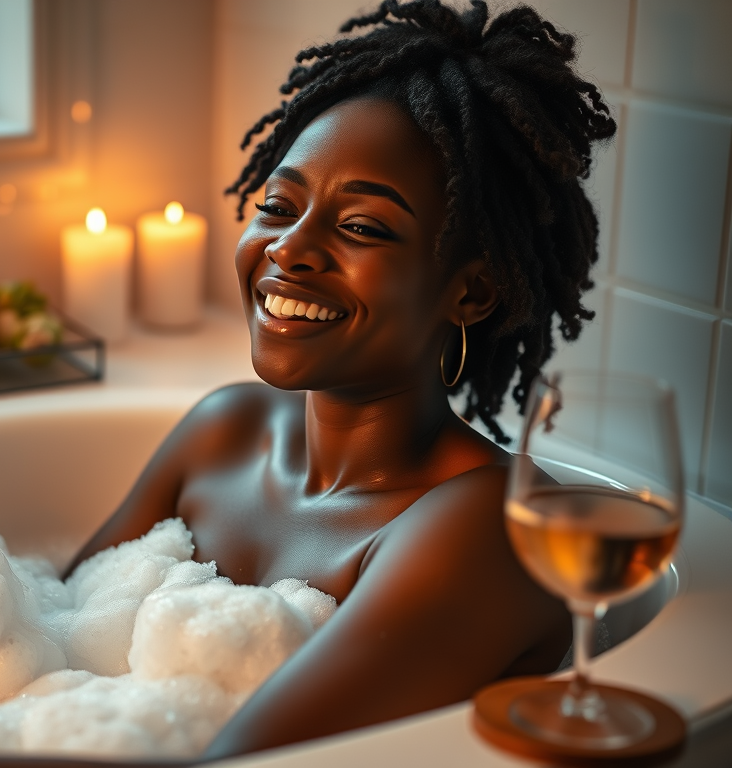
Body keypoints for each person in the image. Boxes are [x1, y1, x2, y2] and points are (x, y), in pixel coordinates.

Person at [64, 0, 616, 757]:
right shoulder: (223, 431)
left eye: (361, 227)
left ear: (471, 291)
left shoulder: (490, 527)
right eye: (278, 206)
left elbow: (237, 758)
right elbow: (42, 634)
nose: (289, 249)